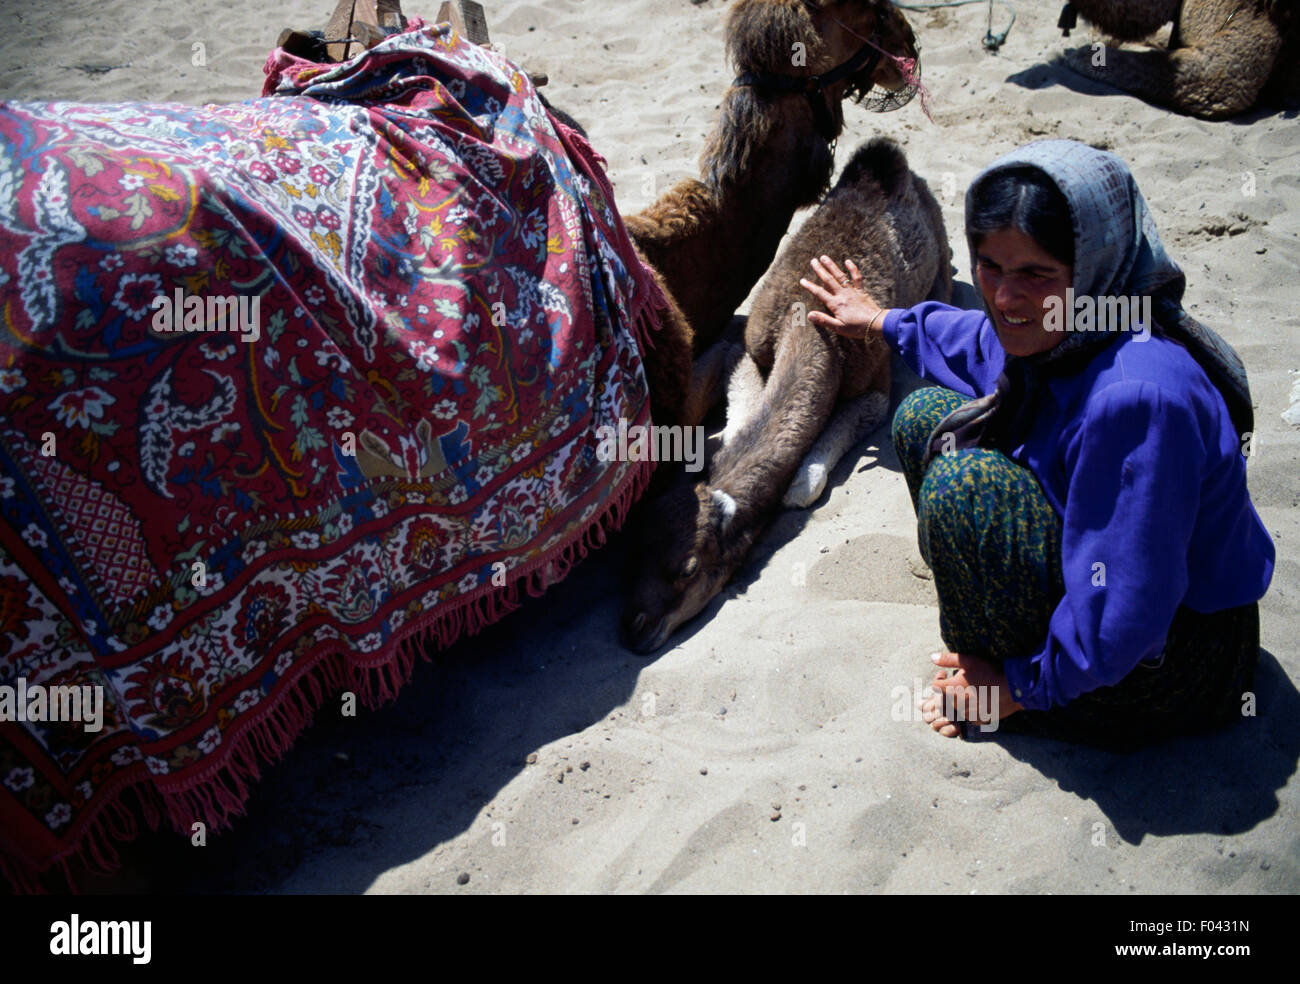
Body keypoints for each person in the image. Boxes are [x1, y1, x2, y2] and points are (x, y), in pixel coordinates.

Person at [799, 139, 1274, 746]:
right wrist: (880, 320)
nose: (1003, 296)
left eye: (1034, 274)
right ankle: (998, 657)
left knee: (963, 486)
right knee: (923, 417)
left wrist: (1019, 689)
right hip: (1127, 610)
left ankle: (1012, 686)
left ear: (1093, 265)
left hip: (1177, 660)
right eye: (989, 266)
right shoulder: (1077, 323)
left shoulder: (1135, 400)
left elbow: (1129, 610)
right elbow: (978, 339)